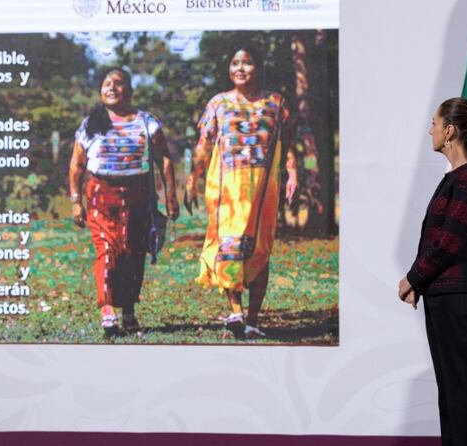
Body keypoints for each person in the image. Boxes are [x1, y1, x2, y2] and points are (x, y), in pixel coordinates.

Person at [399, 97, 467, 446]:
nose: (431, 130)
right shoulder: (456, 176)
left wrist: (413, 277)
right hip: (442, 292)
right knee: (448, 384)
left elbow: (450, 243)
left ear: (450, 131)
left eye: (435, 123)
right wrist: (422, 283)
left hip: (456, 293)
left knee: (462, 383)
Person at [184, 46, 297, 338]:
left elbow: (287, 143)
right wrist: (192, 179)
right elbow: (203, 145)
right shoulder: (218, 103)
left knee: (260, 249)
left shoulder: (276, 103)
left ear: (258, 67)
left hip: (263, 188)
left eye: (247, 63)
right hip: (227, 188)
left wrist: (292, 173)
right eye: (235, 63)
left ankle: (253, 320)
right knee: (230, 245)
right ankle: (236, 311)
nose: (240, 68)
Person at [69, 67, 178, 337]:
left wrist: (170, 196)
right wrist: (76, 200)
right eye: (106, 84)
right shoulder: (91, 124)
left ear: (130, 90)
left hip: (137, 197)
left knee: (132, 253)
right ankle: (107, 310)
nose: (112, 88)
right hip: (100, 196)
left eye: (118, 83)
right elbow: (77, 165)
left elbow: (164, 159)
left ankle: (128, 308)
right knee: (107, 251)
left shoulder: (146, 121)